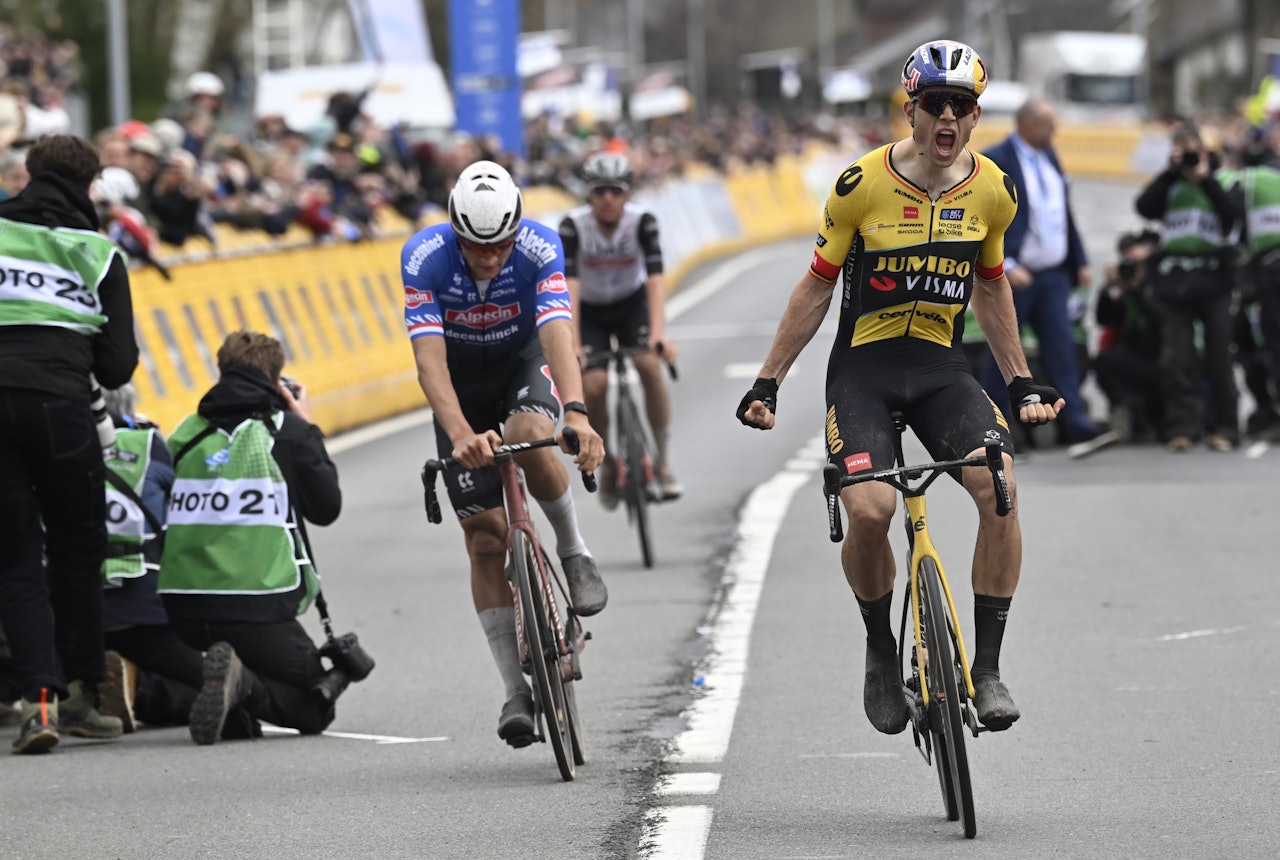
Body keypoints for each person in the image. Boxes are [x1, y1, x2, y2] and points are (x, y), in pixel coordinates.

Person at [737, 40, 1063, 735]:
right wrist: (769, 379)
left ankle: (990, 669)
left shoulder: (993, 190)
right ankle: (881, 653)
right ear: (910, 110)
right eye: (935, 104)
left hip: (943, 372)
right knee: (871, 511)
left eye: (963, 106)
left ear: (976, 117)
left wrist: (1021, 379)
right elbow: (816, 288)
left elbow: (991, 286)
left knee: (1000, 487)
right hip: (865, 372)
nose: (949, 118)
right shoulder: (862, 185)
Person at [401, 159, 606, 747]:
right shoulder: (424, 257)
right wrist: (461, 432)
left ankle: (572, 548)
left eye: (500, 246)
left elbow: (556, 334)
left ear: (516, 231)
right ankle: (514, 691)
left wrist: (575, 410)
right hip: (460, 383)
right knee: (486, 541)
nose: (489, 258)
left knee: (527, 432)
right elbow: (429, 360)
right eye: (475, 247)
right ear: (454, 232)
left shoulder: (540, 247)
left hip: (520, 365)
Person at [0, 134, 139, 754]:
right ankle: (84, 690)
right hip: (59, 407)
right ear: (90, 187)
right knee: (79, 547)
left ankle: (38, 701)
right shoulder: (98, 253)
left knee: (14, 557)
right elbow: (116, 369)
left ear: (27, 175)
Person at [156, 331, 350, 745]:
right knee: (315, 700)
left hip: (182, 609)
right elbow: (326, 508)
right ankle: (241, 682)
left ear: (222, 370)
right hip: (253, 609)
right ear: (278, 381)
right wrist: (307, 425)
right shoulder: (287, 433)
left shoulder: (183, 435)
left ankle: (232, 697)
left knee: (239, 659)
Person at [558, 151, 681, 506]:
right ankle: (609, 462)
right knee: (593, 385)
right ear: (589, 194)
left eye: (615, 190)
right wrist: (575, 345)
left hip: (631, 303)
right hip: (591, 311)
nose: (608, 198)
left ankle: (663, 462)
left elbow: (656, 280)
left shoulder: (643, 221)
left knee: (648, 365)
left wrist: (657, 335)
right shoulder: (573, 226)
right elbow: (570, 289)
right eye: (599, 191)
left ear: (627, 193)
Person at [978, 98, 1099, 447]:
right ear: (1029, 126)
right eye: (1049, 124)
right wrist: (1007, 265)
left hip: (1052, 275)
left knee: (1062, 350)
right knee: (1004, 352)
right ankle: (993, 426)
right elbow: (985, 219)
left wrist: (1079, 260)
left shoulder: (1049, 156)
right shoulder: (996, 160)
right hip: (1016, 275)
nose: (1055, 131)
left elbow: (1062, 212)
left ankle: (1073, 422)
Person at [96, 383, 214, 735]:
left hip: (69, 617)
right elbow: (186, 516)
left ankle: (95, 684)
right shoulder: (148, 446)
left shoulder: (46, 450)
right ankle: (137, 686)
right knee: (212, 689)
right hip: (144, 611)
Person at [1135, 121, 1240, 451]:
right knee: (1177, 358)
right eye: (1180, 149)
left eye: (1192, 148)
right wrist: (1170, 173)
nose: (1188, 156)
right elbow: (1144, 207)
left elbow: (1232, 214)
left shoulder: (1223, 179)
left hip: (1214, 277)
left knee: (1219, 355)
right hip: (1176, 279)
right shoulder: (1170, 182)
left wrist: (1204, 179)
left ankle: (1226, 426)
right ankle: (1183, 427)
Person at [1088, 230, 1164, 446]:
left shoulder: (1161, 283)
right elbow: (1106, 319)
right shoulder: (1128, 290)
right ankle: (1127, 410)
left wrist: (1139, 290)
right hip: (1138, 358)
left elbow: (1162, 323)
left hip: (1165, 360)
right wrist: (1109, 288)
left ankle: (1141, 417)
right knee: (1104, 361)